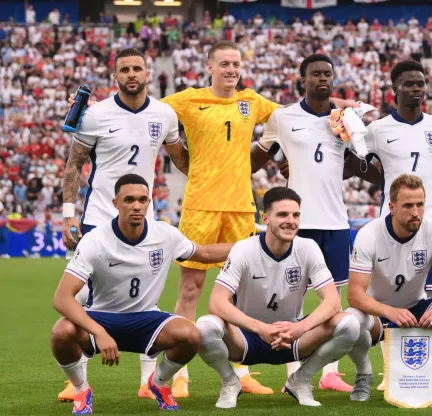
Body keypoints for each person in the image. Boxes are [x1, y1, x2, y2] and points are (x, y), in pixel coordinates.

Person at [159, 40, 356, 397]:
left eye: (236, 64)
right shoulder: (188, 99)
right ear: (209, 66)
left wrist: (340, 105)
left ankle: (242, 370)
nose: (231, 70)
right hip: (200, 204)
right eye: (224, 64)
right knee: (190, 288)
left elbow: (296, 113)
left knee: (240, 293)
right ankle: (180, 373)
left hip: (240, 206)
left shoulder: (252, 101)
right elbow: (146, 112)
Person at [59, 48, 189, 402]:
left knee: (147, 299)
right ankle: (77, 383)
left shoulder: (164, 114)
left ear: (148, 73)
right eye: (125, 69)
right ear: (114, 76)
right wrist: (68, 212)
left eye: (137, 68)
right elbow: (74, 164)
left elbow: (181, 159)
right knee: (82, 297)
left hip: (140, 221)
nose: (132, 74)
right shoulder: (95, 114)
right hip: (98, 217)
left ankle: (149, 383)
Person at [50, 174, 233, 415]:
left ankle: (157, 383)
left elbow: (206, 254)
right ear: (115, 203)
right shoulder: (95, 240)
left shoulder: (165, 234)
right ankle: (81, 390)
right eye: (129, 200)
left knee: (190, 334)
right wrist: (99, 332)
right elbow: (62, 298)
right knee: (61, 332)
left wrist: (254, 243)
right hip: (101, 317)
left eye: (142, 200)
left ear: (149, 202)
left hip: (147, 319)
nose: (137, 205)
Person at [251, 54, 381, 391]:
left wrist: (355, 139)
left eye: (327, 74)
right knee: (289, 298)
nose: (322, 78)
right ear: (302, 77)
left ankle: (329, 374)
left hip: (335, 222)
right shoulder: (283, 117)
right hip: (295, 223)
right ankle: (290, 367)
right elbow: (258, 156)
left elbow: (361, 165)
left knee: (334, 302)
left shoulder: (344, 120)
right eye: (315, 74)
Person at [195, 187, 366, 408]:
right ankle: (230, 381)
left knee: (350, 324)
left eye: (296, 215)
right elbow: (217, 302)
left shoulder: (308, 248)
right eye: (283, 214)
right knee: (205, 326)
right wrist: (260, 328)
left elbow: (333, 301)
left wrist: (300, 328)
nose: (291, 221)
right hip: (246, 339)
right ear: (265, 218)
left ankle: (300, 380)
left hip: (293, 337)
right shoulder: (244, 249)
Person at [363, 64, 432, 389]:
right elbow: (358, 166)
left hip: (431, 222)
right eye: (409, 83)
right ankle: (389, 371)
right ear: (395, 89)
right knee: (388, 295)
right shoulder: (377, 129)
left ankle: (427, 368)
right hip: (390, 225)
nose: (416, 88)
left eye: (420, 83)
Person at [346, 174, 432, 398]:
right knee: (350, 321)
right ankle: (364, 374)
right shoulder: (369, 234)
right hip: (377, 313)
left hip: (415, 308)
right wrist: (390, 312)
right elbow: (355, 294)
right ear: (392, 207)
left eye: (420, 204)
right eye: (408, 205)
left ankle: (429, 370)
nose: (415, 211)